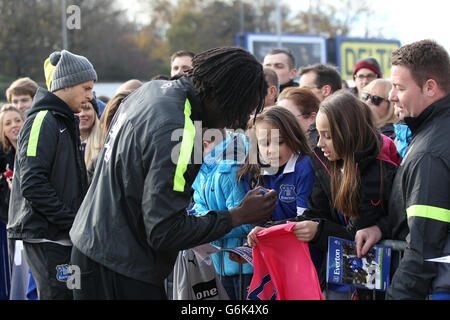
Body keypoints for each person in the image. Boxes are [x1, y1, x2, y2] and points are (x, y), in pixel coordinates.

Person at [69, 46, 277, 300]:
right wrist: (238, 215)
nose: (235, 122)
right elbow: (164, 231)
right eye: (239, 110)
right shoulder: (179, 130)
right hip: (121, 269)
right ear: (222, 94)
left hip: (92, 248)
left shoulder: (151, 91)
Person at [248, 91, 400, 300]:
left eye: (327, 136)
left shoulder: (375, 173)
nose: (319, 143)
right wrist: (269, 230)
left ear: (349, 134)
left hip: (381, 279)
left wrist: (318, 231)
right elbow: (313, 213)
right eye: (319, 134)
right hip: (346, 275)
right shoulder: (322, 163)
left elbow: (355, 235)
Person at [7, 49, 97, 300]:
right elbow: (32, 183)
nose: (90, 96)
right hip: (48, 237)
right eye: (86, 88)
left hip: (60, 236)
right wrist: (71, 220)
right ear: (66, 85)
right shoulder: (42, 120)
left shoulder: (61, 119)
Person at [385, 40, 450, 300]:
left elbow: (423, 248)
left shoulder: (430, 153)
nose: (391, 96)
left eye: (399, 87)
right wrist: (380, 226)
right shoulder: (430, 134)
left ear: (430, 87)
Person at [191, 130, 253, 300]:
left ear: (203, 145)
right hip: (221, 264)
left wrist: (206, 226)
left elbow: (247, 221)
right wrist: (201, 222)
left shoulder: (229, 170)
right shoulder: (202, 171)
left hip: (244, 266)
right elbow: (199, 205)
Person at [238, 106, 314, 222]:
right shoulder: (252, 170)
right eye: (264, 143)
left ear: (294, 137)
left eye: (279, 142)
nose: (272, 150)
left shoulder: (305, 167)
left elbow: (304, 221)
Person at [0, 105, 26, 300]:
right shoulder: (3, 156)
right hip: (7, 220)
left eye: (17, 120)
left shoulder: (31, 149)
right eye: (7, 123)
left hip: (29, 222)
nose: (14, 126)